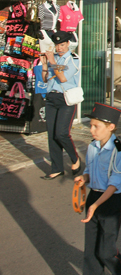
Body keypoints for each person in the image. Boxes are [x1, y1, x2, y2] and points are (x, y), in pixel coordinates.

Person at [75, 103, 121, 275]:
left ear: (111, 127)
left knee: (106, 251)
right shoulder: (92, 147)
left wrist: (95, 206)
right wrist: (83, 178)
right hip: (94, 196)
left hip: (111, 201)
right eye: (90, 125)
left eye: (96, 126)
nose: (91, 130)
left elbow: (113, 184)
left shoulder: (120, 150)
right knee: (91, 251)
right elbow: (92, 172)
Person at [40, 31, 82, 180]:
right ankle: (57, 168)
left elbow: (63, 78)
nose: (59, 48)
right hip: (51, 97)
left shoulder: (73, 60)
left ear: (68, 44)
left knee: (61, 133)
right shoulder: (55, 58)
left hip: (66, 99)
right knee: (52, 135)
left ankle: (75, 158)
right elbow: (46, 79)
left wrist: (51, 61)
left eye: (62, 45)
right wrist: (45, 65)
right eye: (57, 45)